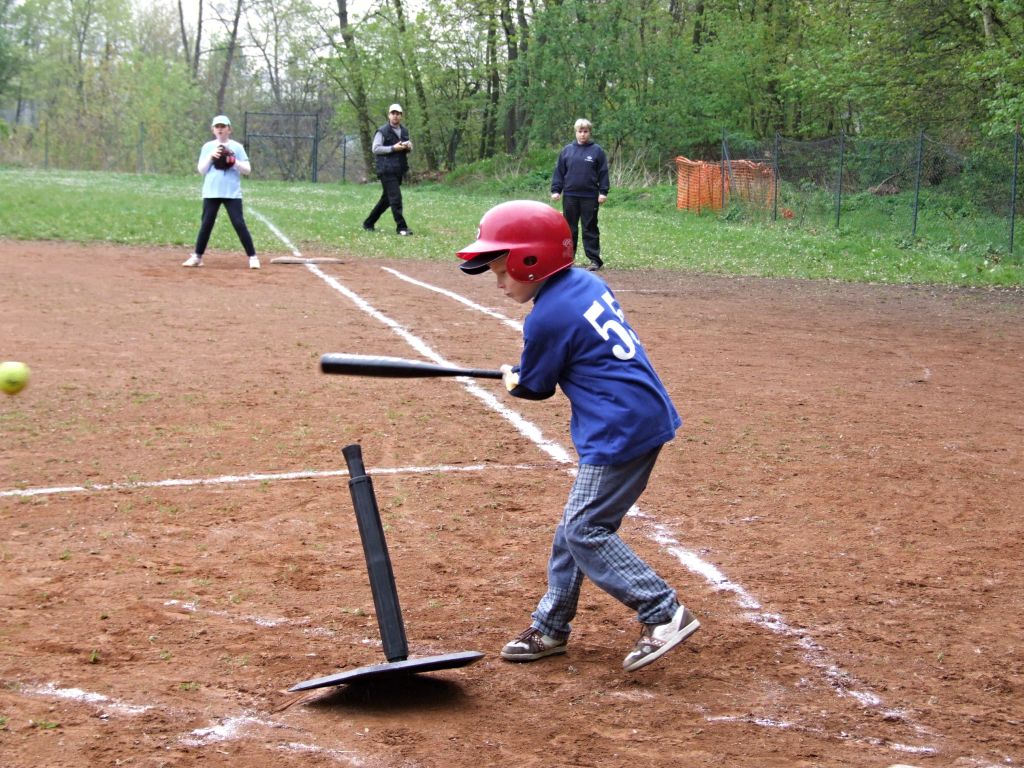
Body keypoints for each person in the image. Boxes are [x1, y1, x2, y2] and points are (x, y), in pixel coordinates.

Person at [456, 200, 699, 672]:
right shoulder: (584, 282)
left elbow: (536, 388)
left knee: (585, 530)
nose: (499, 283)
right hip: (637, 417)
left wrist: (517, 378)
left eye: (502, 271)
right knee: (574, 527)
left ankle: (663, 611)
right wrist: (524, 372)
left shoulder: (545, 316)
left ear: (533, 260)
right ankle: (551, 626)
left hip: (618, 431)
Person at [182, 115, 260, 269]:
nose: (220, 129)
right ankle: (197, 257)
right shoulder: (207, 147)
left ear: (229, 129)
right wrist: (211, 157)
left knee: (239, 223)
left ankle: (253, 257)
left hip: (231, 192)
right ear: (213, 129)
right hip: (211, 192)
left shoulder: (237, 147)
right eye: (217, 126)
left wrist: (234, 162)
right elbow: (202, 170)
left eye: (223, 126)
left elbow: (248, 170)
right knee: (206, 224)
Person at [550, 118, 609, 271]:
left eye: (585, 132)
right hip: (570, 195)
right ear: (575, 132)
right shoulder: (567, 151)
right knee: (569, 228)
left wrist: (603, 192)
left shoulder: (597, 151)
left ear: (589, 133)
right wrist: (556, 190)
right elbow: (559, 172)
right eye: (580, 132)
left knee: (589, 227)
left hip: (590, 196)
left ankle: (595, 260)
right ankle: (568, 259)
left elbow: (603, 173)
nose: (582, 135)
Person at [363, 104, 413, 236]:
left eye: (398, 113)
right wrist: (393, 148)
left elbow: (407, 148)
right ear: (389, 115)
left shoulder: (404, 131)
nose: (395, 115)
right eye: (393, 113)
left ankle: (368, 223)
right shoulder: (382, 131)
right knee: (396, 198)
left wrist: (408, 147)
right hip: (386, 170)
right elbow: (376, 149)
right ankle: (401, 228)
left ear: (401, 116)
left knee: (386, 200)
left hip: (398, 170)